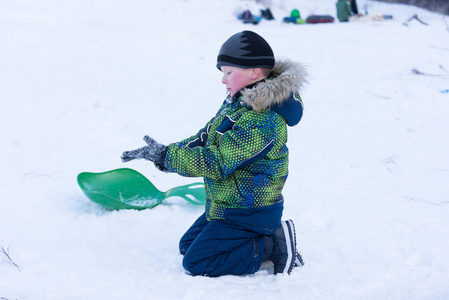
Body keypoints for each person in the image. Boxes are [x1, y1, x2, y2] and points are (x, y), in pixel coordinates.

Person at [121, 30, 308, 277]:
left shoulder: (264, 120)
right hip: (225, 203)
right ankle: (260, 238)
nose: (223, 80)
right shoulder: (239, 101)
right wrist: (165, 153)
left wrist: (168, 157)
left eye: (229, 73)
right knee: (187, 246)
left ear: (253, 72)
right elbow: (205, 138)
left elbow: (217, 161)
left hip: (248, 210)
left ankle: (273, 244)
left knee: (197, 263)